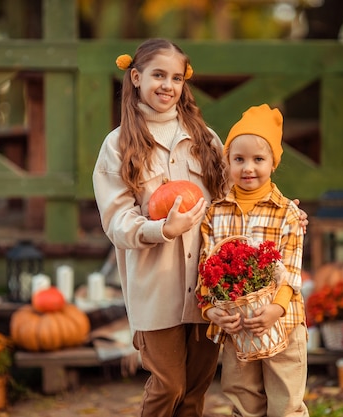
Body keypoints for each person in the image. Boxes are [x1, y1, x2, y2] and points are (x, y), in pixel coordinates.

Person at [92, 38, 229, 417]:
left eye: (176, 77)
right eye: (157, 75)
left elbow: (231, 202)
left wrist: (283, 210)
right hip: (156, 288)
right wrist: (162, 230)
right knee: (169, 386)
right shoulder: (118, 145)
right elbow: (117, 220)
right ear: (136, 77)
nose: (167, 85)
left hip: (206, 287)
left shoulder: (205, 139)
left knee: (194, 392)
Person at [199, 104, 309, 417]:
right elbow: (207, 269)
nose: (249, 168)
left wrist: (276, 308)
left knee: (285, 404)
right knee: (244, 401)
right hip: (237, 328)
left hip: (282, 324)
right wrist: (213, 310)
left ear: (273, 163)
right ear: (228, 162)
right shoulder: (214, 213)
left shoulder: (287, 214)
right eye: (239, 159)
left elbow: (291, 270)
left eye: (258, 159)